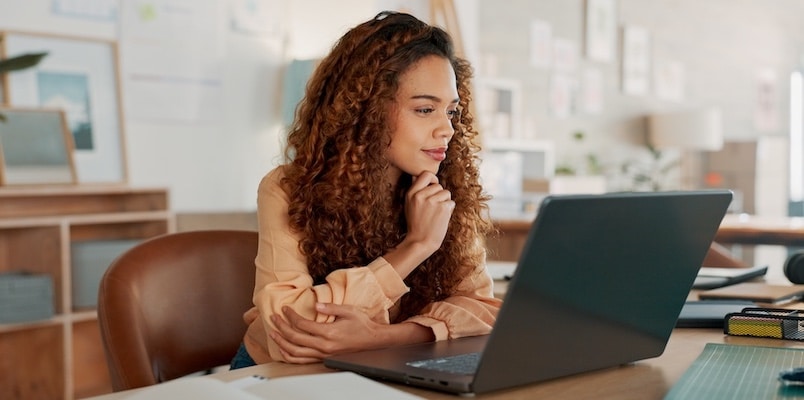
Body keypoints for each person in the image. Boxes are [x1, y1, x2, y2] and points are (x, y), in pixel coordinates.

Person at [230, 10, 501, 368]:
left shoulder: (445, 191)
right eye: (424, 109)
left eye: (451, 112)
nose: (446, 129)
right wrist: (415, 246)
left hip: (385, 362)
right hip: (278, 374)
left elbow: (484, 311)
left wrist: (381, 338)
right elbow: (290, 330)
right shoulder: (288, 187)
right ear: (366, 111)